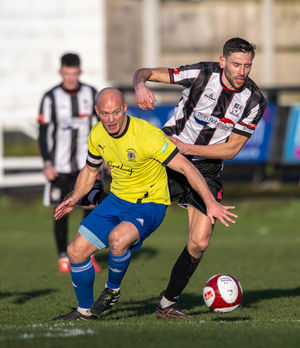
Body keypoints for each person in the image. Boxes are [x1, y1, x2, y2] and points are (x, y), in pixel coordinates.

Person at [52, 87, 237, 320]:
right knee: (75, 251)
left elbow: (187, 167)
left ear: (125, 109)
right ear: (97, 111)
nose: (111, 119)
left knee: (118, 239)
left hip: (149, 204)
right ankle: (84, 310)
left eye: (116, 112)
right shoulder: (97, 134)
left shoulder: (147, 136)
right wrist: (75, 198)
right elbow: (90, 172)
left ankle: (112, 291)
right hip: (117, 200)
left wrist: (210, 202)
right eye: (105, 113)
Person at [133, 37, 267, 318]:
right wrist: (140, 86)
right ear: (223, 62)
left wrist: (189, 148)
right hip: (167, 161)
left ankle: (168, 304)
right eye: (236, 64)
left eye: (247, 66)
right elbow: (145, 72)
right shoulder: (201, 74)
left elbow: (231, 149)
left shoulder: (254, 101)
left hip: (206, 169)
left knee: (199, 243)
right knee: (130, 228)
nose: (242, 71)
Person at [38, 52, 102, 273]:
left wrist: (107, 158)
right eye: (67, 74)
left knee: (90, 209)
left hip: (86, 167)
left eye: (74, 74)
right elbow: (43, 132)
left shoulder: (91, 94)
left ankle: (85, 253)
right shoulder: (50, 98)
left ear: (79, 72)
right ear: (61, 73)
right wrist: (47, 162)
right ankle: (63, 256)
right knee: (61, 211)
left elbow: (101, 127)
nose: (71, 78)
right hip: (59, 167)